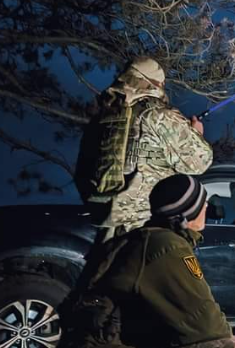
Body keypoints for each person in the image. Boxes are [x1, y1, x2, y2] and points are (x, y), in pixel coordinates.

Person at [59, 175, 235, 348]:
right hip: (105, 345)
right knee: (231, 347)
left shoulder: (143, 238)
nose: (207, 206)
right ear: (188, 212)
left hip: (93, 341)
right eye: (203, 202)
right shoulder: (166, 246)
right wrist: (231, 336)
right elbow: (204, 323)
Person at [75, 57, 213, 242]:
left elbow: (81, 173)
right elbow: (200, 161)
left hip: (104, 224)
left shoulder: (100, 119)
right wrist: (196, 134)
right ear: (155, 84)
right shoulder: (157, 115)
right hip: (145, 227)